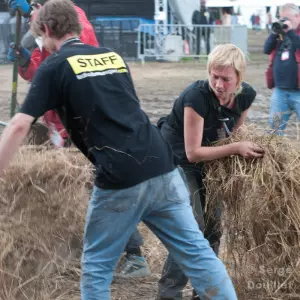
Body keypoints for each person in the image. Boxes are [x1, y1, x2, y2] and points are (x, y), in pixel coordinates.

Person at [0, 1, 238, 299]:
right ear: (76, 24)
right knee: (198, 254)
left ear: (47, 29)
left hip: (120, 175)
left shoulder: (54, 65)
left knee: (97, 266)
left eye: (42, 37)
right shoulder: (112, 57)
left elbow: (20, 125)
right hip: (163, 166)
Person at [156, 44, 264, 300]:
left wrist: (238, 152)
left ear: (239, 78)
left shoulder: (246, 95)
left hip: (211, 159)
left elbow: (234, 135)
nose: (218, 84)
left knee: (214, 226)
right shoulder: (196, 97)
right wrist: (237, 148)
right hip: (178, 158)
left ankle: (204, 291)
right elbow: (193, 152)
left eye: (226, 79)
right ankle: (168, 294)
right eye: (214, 76)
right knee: (192, 226)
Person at [7, 0, 99, 147]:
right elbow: (43, 71)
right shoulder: (48, 40)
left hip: (81, 123)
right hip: (58, 122)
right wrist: (26, 63)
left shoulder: (73, 15)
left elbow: (76, 51)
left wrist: (34, 15)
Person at [264, 3, 300, 135]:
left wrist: (290, 31)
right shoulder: (280, 33)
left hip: (298, 91)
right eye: (281, 19)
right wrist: (274, 32)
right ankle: (273, 155)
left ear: (297, 16)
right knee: (274, 131)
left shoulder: (292, 33)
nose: (284, 22)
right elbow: (266, 49)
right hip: (280, 91)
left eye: (287, 19)